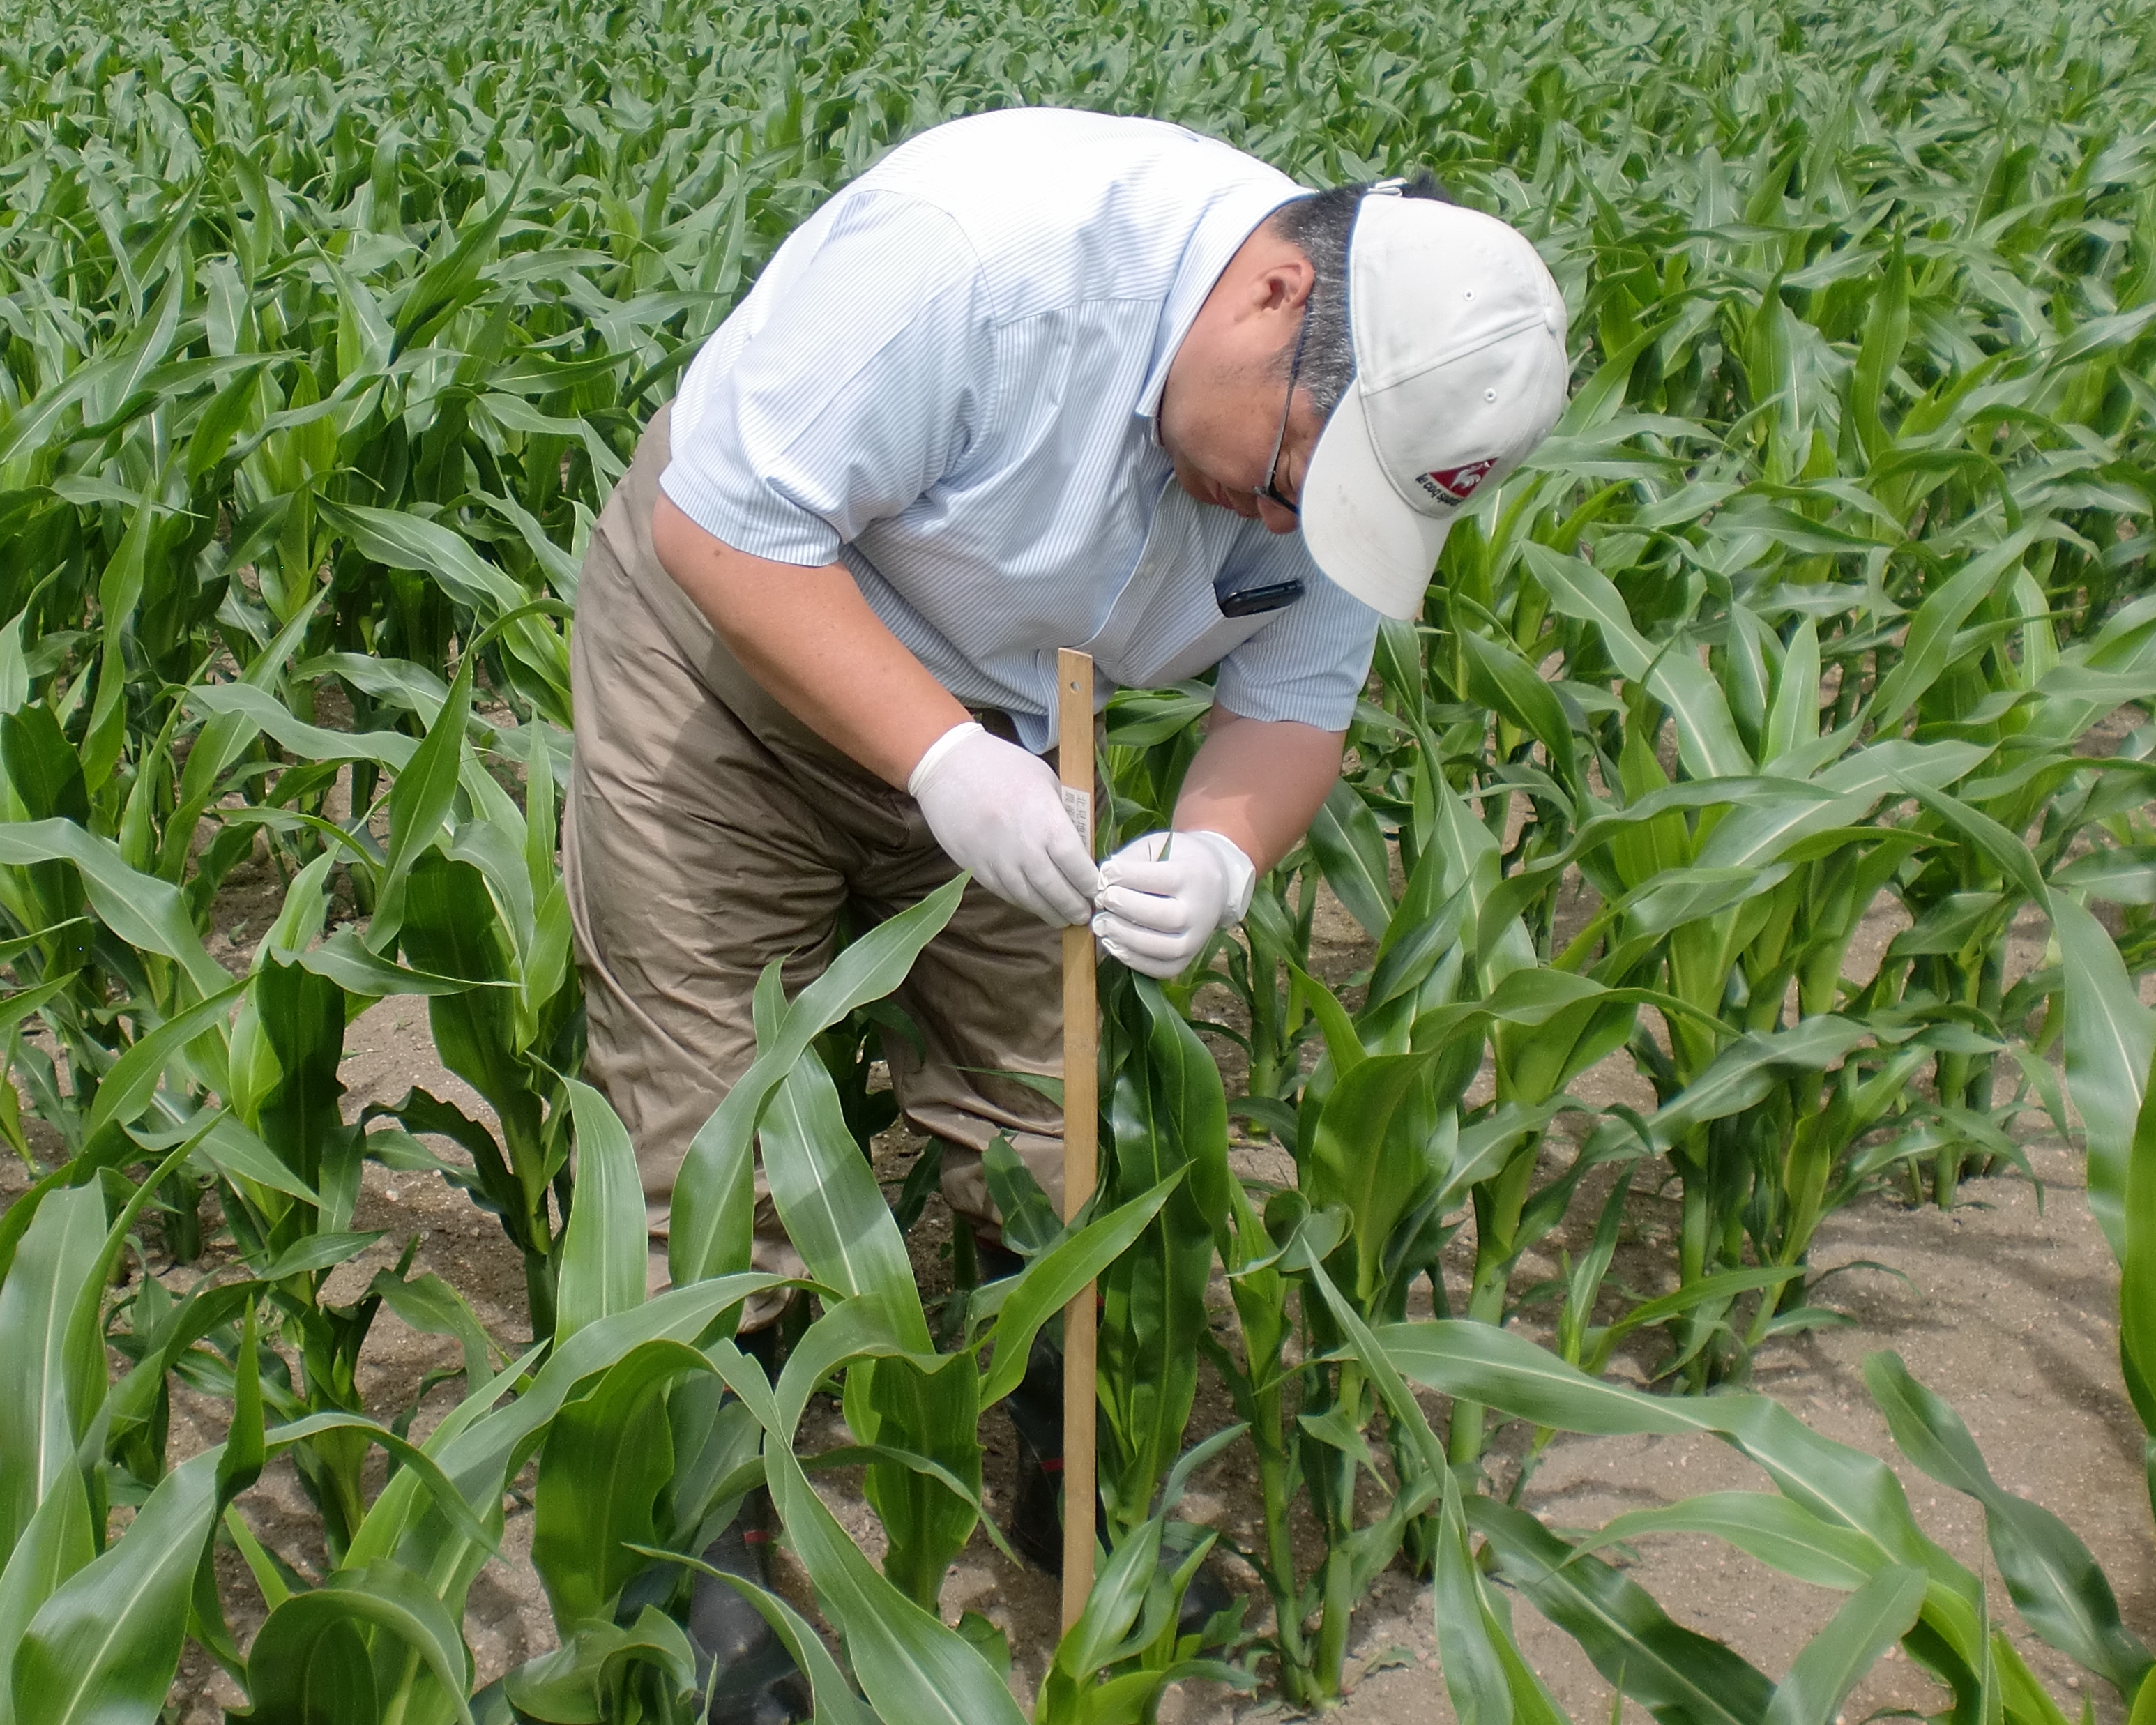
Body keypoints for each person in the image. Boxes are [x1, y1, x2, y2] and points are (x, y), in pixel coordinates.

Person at [560, 105, 1568, 1719]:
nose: (1288, 526)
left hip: (1021, 723)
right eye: (1295, 476)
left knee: (1052, 1126)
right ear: (1266, 301)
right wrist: (942, 764)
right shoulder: (982, 256)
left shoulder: (1326, 454)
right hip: (733, 655)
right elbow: (726, 526)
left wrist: (1226, 851)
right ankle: (697, 1555)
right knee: (703, 1121)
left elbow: (1294, 705)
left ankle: (1071, 1475)